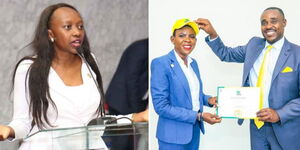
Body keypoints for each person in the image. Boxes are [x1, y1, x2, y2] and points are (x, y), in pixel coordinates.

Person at [0, 3, 135, 150]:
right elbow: (23, 122)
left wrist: (134, 118)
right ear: (51, 34)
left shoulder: (89, 63)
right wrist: (9, 130)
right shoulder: (29, 68)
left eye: (80, 26)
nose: (77, 32)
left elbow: (96, 122)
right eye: (68, 27)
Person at [196, 7, 300, 150]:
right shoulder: (253, 45)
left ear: (284, 23)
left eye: (274, 21)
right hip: (256, 126)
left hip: (285, 128)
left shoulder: (297, 54)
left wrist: (279, 114)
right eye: (264, 22)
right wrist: (212, 33)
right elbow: (226, 54)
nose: (268, 26)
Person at [150, 18, 221, 150]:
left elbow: (193, 94)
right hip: (172, 137)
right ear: (172, 39)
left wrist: (210, 100)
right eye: (182, 35)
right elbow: (161, 106)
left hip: (193, 133)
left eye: (192, 36)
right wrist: (198, 116)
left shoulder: (193, 64)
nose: (188, 40)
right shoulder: (161, 64)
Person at [105, 38, 149, 150]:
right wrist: (137, 111)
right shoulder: (142, 48)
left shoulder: (144, 47)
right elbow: (131, 80)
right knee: (121, 143)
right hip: (121, 102)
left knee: (129, 144)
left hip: (129, 101)